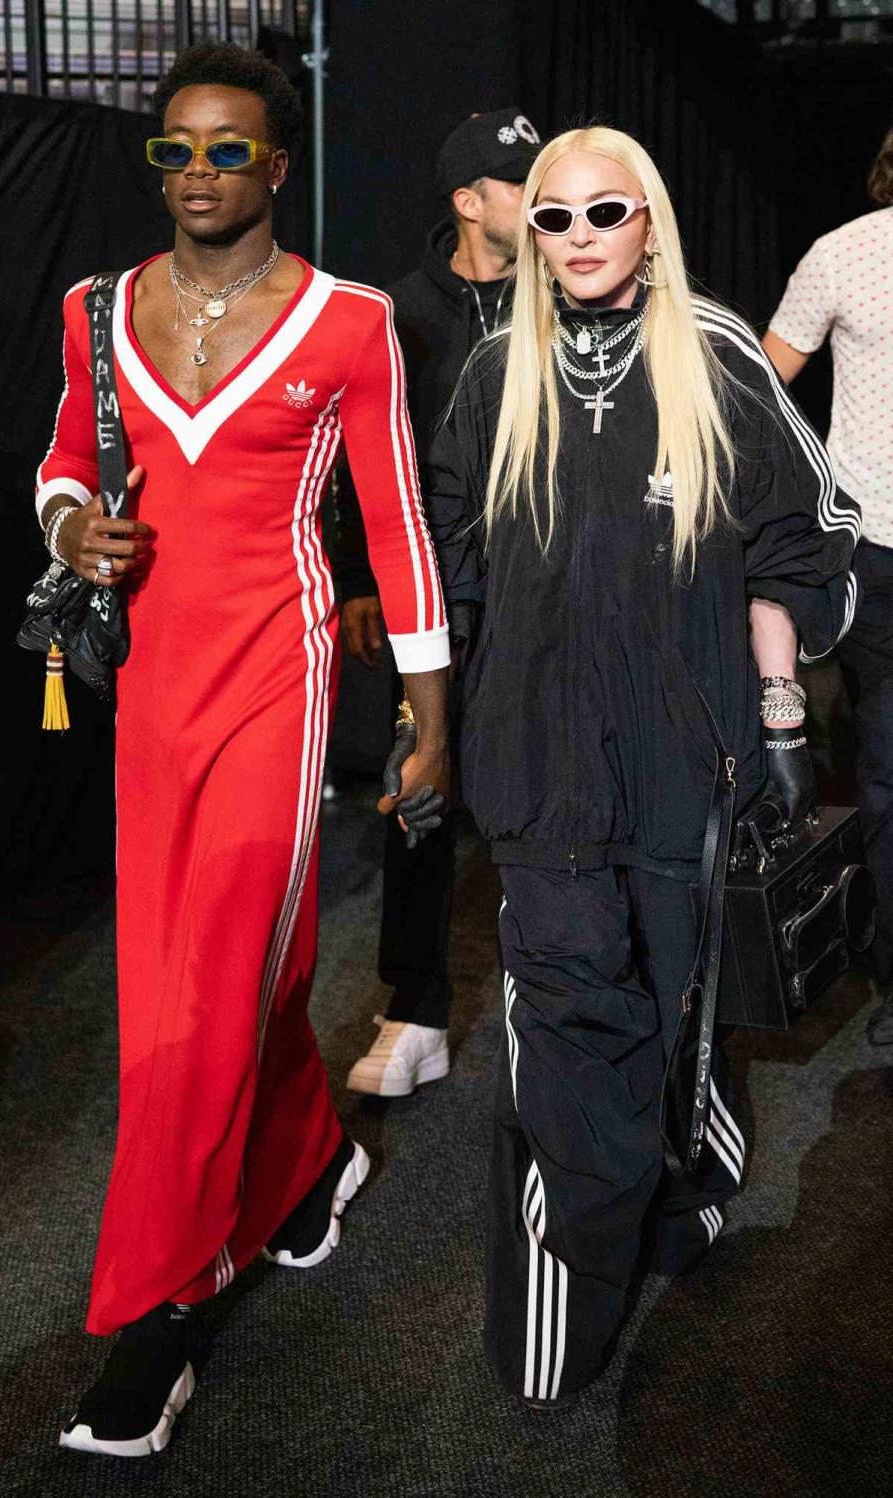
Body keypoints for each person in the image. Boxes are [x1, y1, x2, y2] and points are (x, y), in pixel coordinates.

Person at [34, 41, 449, 1457]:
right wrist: (72, 528)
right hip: (150, 698)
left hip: (283, 686)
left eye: (227, 149)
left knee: (207, 997)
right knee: (184, 986)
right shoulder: (97, 309)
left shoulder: (348, 321)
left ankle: (155, 1320)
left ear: (278, 166)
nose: (197, 172)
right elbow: (62, 466)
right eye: (175, 148)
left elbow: (395, 523)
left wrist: (429, 717)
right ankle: (312, 1160)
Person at [428, 125, 859, 1404]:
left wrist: (782, 717)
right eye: (550, 218)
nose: (575, 239)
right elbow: (445, 543)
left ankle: (684, 1193)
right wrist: (437, 710)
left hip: (693, 762)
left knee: (674, 1009)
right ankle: (569, 1301)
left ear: (650, 222)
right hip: (538, 774)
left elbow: (801, 537)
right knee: (570, 1032)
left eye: (603, 213)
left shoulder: (718, 355)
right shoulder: (496, 370)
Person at [337, 108, 541, 1098]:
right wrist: (362, 577)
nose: (541, 195)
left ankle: (565, 1001)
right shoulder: (400, 315)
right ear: (470, 202)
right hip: (436, 596)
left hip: (550, 597)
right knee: (418, 790)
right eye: (518, 180)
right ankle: (414, 1008)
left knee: (562, 794)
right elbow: (354, 457)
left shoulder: (572, 292)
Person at [763, 127, 893, 1045]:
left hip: (872, 538)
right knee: (887, 761)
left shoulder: (840, 250)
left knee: (888, 762)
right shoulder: (842, 253)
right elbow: (764, 386)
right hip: (875, 546)